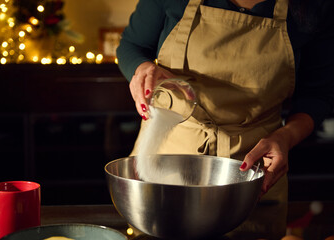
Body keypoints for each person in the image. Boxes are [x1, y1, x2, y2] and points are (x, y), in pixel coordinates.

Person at [116, 0, 334, 205]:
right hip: (166, 157)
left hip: (253, 172)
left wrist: (286, 137)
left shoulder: (316, 5)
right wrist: (142, 68)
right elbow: (132, 45)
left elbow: (317, 95)